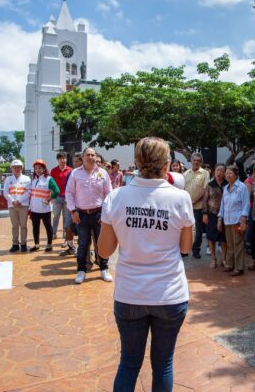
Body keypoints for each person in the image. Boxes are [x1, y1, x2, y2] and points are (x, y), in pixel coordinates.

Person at [98, 137, 194, 391]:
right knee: (162, 364)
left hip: (130, 294)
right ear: (167, 164)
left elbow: (105, 250)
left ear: (137, 163)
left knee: (129, 363)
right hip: (170, 295)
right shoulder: (180, 198)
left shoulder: (116, 197)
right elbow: (185, 248)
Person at [66, 147, 113, 284]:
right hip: (81, 214)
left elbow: (108, 194)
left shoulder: (103, 173)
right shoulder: (75, 173)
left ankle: (104, 268)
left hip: (99, 214)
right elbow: (69, 193)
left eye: (93, 155)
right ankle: (81, 270)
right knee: (83, 243)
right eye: (88, 155)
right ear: (83, 157)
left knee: (101, 242)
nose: (91, 157)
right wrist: (73, 211)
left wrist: (105, 214)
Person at [217, 164, 250, 276]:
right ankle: (230, 265)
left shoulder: (242, 187)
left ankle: (239, 268)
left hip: (237, 221)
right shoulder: (226, 188)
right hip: (227, 220)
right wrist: (219, 219)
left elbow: (246, 205)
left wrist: (243, 220)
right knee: (230, 244)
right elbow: (223, 205)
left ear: (236, 175)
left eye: (230, 173)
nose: (227, 175)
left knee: (238, 245)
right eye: (226, 173)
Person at [29, 159, 59, 252]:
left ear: (44, 169)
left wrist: (49, 199)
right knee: (35, 228)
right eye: (36, 168)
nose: (37, 170)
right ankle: (36, 245)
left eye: (40, 168)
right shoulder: (34, 180)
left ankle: (49, 245)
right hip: (34, 209)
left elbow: (57, 191)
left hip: (45, 209)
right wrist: (30, 208)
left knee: (48, 227)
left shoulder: (49, 179)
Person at [184, 152, 210, 260]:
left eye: (198, 161)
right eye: (194, 160)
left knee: (199, 230)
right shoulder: (185, 173)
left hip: (199, 206)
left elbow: (205, 190)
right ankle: (184, 250)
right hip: (186, 206)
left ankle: (196, 250)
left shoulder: (205, 173)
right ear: (191, 160)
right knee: (185, 228)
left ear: (201, 162)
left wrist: (194, 200)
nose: (196, 162)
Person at [202, 164, 227, 268]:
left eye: (222, 171)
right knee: (211, 238)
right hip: (212, 214)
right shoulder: (210, 185)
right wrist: (204, 214)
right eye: (218, 170)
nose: (219, 173)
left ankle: (223, 259)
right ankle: (213, 259)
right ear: (214, 171)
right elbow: (205, 200)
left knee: (224, 238)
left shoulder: (227, 184)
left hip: (225, 215)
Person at [51, 152, 76, 255]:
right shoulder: (53, 170)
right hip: (57, 197)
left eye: (64, 158)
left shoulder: (70, 170)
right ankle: (53, 233)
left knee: (66, 218)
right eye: (60, 158)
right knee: (56, 216)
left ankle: (66, 238)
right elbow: (51, 184)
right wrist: (51, 195)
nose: (63, 160)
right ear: (58, 160)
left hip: (67, 198)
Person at [3, 160, 31, 253]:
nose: (16, 169)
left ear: (22, 168)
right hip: (12, 206)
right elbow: (5, 192)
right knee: (14, 226)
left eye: (18, 167)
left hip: (23, 205)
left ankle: (23, 243)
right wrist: (13, 201)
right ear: (11, 168)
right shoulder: (8, 179)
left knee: (23, 225)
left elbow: (28, 191)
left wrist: (19, 200)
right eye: (14, 167)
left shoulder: (27, 179)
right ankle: (15, 244)